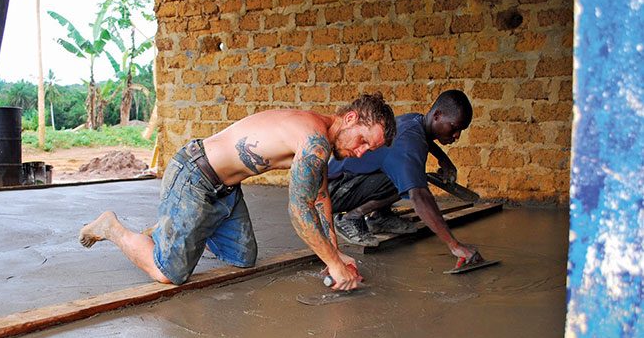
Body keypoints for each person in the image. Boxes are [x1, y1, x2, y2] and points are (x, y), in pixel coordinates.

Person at [80, 93, 397, 291]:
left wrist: (335, 254)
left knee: (243, 258)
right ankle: (113, 228)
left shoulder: (320, 143)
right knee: (168, 273)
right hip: (193, 175)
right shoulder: (312, 140)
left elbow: (320, 198)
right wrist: (335, 266)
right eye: (364, 141)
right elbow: (299, 209)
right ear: (351, 118)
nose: (361, 152)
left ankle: (173, 227)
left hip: (225, 190)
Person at [328, 89, 479, 263]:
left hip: (350, 181)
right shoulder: (408, 142)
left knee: (405, 172)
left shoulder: (416, 121)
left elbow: (426, 140)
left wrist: (444, 160)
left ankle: (379, 217)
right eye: (454, 127)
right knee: (410, 179)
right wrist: (454, 244)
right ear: (436, 115)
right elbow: (419, 197)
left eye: (461, 130)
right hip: (334, 191)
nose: (457, 135)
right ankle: (350, 217)